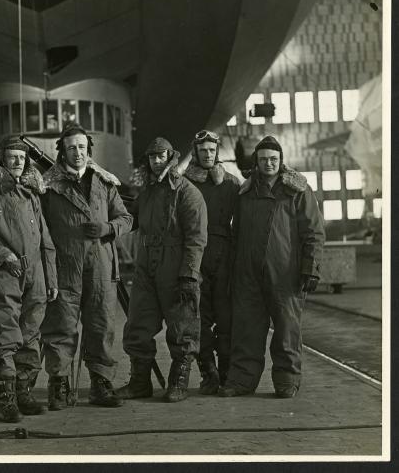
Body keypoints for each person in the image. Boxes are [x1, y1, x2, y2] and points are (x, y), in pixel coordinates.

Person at [219, 135, 325, 399]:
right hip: (248, 274)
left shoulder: (297, 191)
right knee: (246, 329)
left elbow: (313, 232)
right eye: (264, 159)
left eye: (273, 159)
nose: (269, 164)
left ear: (281, 161)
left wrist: (311, 268)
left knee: (287, 329)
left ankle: (287, 381)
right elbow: (236, 234)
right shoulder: (245, 193)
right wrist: (233, 272)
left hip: (285, 274)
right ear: (256, 161)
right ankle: (242, 381)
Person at [39, 122, 133, 410]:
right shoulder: (47, 186)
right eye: (71, 148)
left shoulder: (104, 182)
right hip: (64, 266)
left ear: (88, 149)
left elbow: (126, 219)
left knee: (101, 324)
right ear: (62, 152)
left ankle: (101, 383)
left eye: (81, 147)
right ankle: (60, 384)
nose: (77, 152)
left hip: (101, 267)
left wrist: (107, 227)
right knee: (60, 326)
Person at [0, 135, 59, 422]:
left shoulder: (32, 196)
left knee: (31, 333)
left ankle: (24, 391)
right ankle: (5, 398)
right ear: (2, 160)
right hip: (2, 273)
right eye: (12, 157)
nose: (17, 162)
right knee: (5, 334)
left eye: (21, 158)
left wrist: (51, 277)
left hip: (35, 275)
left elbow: (46, 239)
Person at [117, 137, 207, 403]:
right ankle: (139, 382)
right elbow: (130, 218)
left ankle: (178, 382)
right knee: (138, 324)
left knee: (182, 327)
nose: (156, 162)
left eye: (161, 156)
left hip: (175, 266)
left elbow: (196, 238)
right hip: (146, 267)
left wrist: (189, 274)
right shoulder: (147, 194)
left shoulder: (187, 192)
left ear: (171, 157)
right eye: (152, 157)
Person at [182, 130, 239, 394]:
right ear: (195, 152)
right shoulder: (185, 184)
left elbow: (241, 223)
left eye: (212, 150)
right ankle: (209, 373)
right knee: (199, 318)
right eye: (203, 150)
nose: (208, 154)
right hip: (196, 256)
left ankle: (227, 372)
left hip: (224, 255)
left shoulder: (230, 184)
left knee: (226, 317)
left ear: (218, 153)